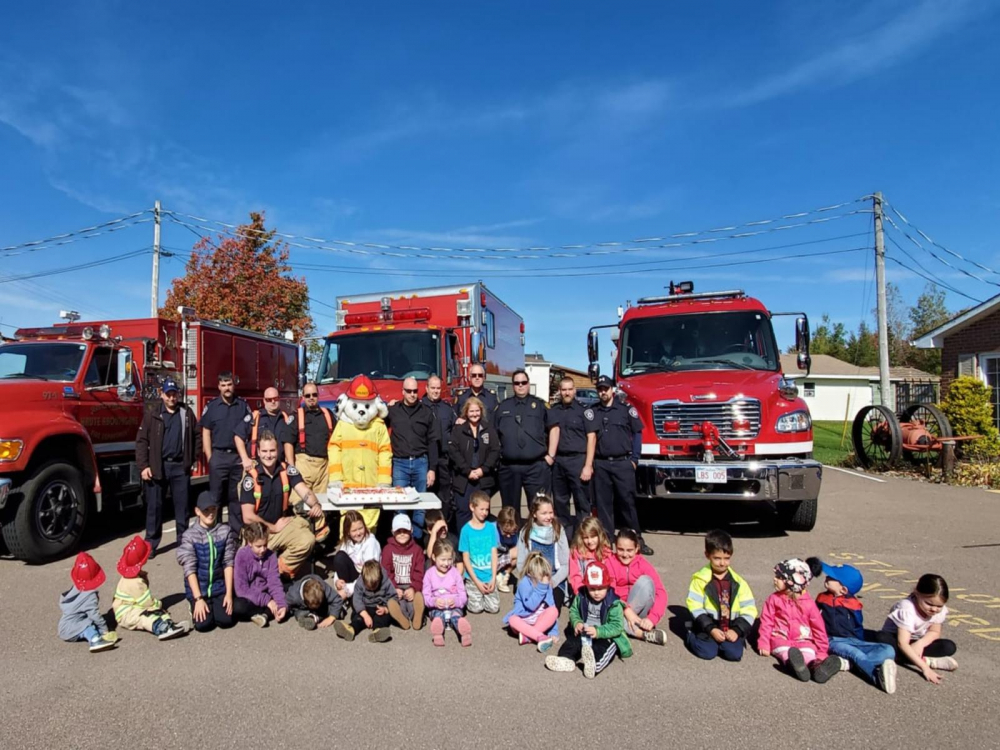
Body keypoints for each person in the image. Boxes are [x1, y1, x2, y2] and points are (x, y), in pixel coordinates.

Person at [238, 431, 327, 578]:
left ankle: (276, 571)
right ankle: (260, 572)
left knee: (307, 540)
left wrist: (315, 504)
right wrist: (272, 527)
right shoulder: (251, 478)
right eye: (265, 451)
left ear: (278, 450)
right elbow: (247, 517)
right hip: (257, 532)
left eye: (272, 451)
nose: (269, 455)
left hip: (280, 528)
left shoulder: (287, 470)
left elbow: (304, 491)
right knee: (247, 577)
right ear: (258, 453)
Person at [808, 557, 897, 694]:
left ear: (843, 589)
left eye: (832, 578)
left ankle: (847, 664)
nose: (827, 577)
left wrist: (860, 641)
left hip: (853, 640)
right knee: (855, 653)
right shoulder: (821, 598)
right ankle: (877, 678)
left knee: (888, 650)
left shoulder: (853, 604)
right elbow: (813, 617)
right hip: (832, 640)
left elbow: (857, 625)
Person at [585, 375, 652, 556]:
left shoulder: (625, 409)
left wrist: (635, 459)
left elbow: (638, 433)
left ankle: (636, 539)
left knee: (627, 503)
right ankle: (607, 541)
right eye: (599, 389)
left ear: (612, 390)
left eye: (605, 388)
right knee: (604, 505)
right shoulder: (593, 411)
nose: (603, 392)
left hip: (623, 463)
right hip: (602, 464)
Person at [136, 377, 200, 556]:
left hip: (180, 467)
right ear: (162, 395)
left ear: (178, 395)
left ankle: (183, 541)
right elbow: (141, 441)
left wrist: (192, 458)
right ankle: (151, 544)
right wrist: (144, 466)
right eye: (168, 394)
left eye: (174, 394)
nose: (172, 398)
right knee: (154, 508)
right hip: (158, 466)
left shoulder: (186, 413)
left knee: (182, 507)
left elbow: (197, 436)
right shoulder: (153, 414)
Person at [758, 558, 842, 683]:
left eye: (780, 577)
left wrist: (822, 652)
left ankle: (817, 668)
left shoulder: (808, 604)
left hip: (804, 640)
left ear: (792, 582)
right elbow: (766, 621)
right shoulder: (774, 599)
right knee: (785, 653)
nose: (775, 579)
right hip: (781, 638)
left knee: (809, 655)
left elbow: (818, 629)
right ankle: (795, 666)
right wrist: (764, 643)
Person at [545, 561, 631, 678]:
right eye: (592, 588)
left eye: (600, 588)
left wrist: (598, 632)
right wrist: (577, 622)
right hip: (585, 632)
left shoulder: (614, 603)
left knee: (603, 649)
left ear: (607, 585)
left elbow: (616, 626)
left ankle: (593, 664)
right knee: (572, 642)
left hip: (606, 635)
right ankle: (566, 659)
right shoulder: (582, 596)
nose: (596, 593)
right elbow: (574, 611)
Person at [685, 530, 757, 662]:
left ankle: (725, 642)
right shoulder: (700, 580)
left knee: (734, 654)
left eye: (726, 558)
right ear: (707, 555)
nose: (722, 563)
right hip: (707, 627)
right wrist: (711, 629)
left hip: (729, 627)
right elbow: (695, 606)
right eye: (717, 558)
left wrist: (737, 631)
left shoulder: (738, 582)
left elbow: (750, 609)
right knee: (707, 653)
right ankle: (690, 633)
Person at [875, 574, 958, 684]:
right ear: (917, 593)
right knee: (881, 638)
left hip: (917, 641)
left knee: (949, 646)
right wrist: (925, 668)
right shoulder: (907, 608)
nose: (934, 609)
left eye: (939, 606)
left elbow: (934, 631)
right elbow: (902, 643)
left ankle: (904, 658)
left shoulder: (939, 609)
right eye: (929, 604)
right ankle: (927, 661)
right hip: (897, 640)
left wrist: (920, 644)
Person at [386, 376, 440, 540]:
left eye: (415, 391)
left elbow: (432, 442)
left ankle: (415, 545)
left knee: (420, 507)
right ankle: (400, 545)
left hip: (420, 463)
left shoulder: (426, 412)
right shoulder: (393, 410)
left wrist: (432, 469)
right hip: (400, 464)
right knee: (399, 506)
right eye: (408, 391)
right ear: (402, 391)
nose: (412, 394)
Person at [494, 369, 552, 523]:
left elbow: (554, 428)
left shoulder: (540, 405)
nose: (520, 386)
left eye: (523, 382)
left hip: (535, 467)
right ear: (513, 385)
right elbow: (494, 434)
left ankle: (537, 543)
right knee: (510, 512)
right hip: (509, 468)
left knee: (538, 508)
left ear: (528, 384)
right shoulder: (502, 407)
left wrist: (551, 455)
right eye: (517, 383)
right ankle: (512, 543)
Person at [175, 490, 236, 633]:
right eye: (206, 510)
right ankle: (193, 604)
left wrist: (228, 594)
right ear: (197, 511)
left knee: (226, 620)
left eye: (213, 509)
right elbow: (189, 569)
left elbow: (228, 563)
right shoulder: (189, 536)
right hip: (199, 590)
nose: (210, 513)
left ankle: (216, 603)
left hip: (218, 586)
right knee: (203, 625)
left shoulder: (225, 531)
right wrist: (197, 599)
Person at [200, 371, 253, 533]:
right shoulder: (212, 407)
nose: (226, 388)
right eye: (223, 385)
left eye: (229, 384)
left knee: (235, 499)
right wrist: (210, 457)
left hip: (237, 459)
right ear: (219, 387)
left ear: (233, 385)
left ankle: (235, 534)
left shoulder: (243, 406)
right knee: (215, 498)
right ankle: (215, 532)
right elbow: (206, 432)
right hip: (219, 457)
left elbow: (250, 432)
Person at [112, 535, 189, 640]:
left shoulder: (129, 577)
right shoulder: (136, 582)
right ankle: (160, 628)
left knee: (157, 612)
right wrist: (158, 603)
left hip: (131, 607)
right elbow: (146, 602)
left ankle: (169, 624)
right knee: (146, 618)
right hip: (126, 614)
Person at [605, 528, 668, 645]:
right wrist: (626, 611)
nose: (625, 554)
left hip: (640, 610)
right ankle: (643, 634)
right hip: (618, 608)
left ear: (637, 549)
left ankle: (619, 627)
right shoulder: (610, 562)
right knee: (609, 609)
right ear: (615, 547)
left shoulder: (643, 564)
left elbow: (661, 592)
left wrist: (652, 618)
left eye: (629, 550)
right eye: (620, 549)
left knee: (646, 582)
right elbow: (610, 592)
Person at [548, 377, 594, 534]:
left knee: (582, 502)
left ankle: (583, 537)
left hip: (578, 460)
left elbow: (591, 438)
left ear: (574, 390)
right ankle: (565, 538)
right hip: (559, 461)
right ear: (559, 391)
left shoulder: (584, 411)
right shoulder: (553, 411)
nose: (567, 392)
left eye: (569, 389)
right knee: (560, 502)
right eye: (564, 389)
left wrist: (588, 466)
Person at [448, 397, 501, 530]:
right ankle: (464, 547)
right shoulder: (458, 430)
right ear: (466, 412)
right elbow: (453, 452)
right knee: (463, 512)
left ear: (481, 411)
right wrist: (467, 471)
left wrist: (483, 469)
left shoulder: (489, 429)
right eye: (471, 411)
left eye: (477, 411)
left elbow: (495, 450)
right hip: (464, 479)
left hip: (483, 478)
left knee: (482, 513)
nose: (474, 414)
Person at [514, 491, 570, 609]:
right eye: (544, 513)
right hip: (532, 579)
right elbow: (521, 563)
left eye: (550, 512)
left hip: (554, 580)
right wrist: (532, 581)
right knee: (528, 607)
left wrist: (553, 581)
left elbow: (565, 564)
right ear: (534, 514)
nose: (549, 516)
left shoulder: (558, 530)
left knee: (549, 608)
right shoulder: (526, 532)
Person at [58, 551, 118, 652]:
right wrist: (104, 630)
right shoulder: (90, 595)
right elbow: (94, 615)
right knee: (88, 626)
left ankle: (93, 635)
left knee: (88, 622)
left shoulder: (76, 588)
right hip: (71, 629)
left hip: (64, 626)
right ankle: (95, 640)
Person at [334, 560, 406, 643]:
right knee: (358, 619)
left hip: (380, 606)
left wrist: (386, 609)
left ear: (379, 578)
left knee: (383, 618)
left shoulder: (386, 582)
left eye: (375, 586)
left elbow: (393, 597)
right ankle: (351, 629)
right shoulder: (360, 583)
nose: (372, 589)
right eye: (369, 587)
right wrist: (365, 615)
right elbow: (357, 600)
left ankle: (377, 631)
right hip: (365, 606)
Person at [233, 521, 287, 627]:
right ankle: (267, 613)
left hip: (266, 592)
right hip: (250, 596)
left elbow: (274, 582)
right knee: (238, 606)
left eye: (265, 545)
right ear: (250, 543)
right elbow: (241, 589)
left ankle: (265, 614)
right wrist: (267, 600)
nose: (263, 550)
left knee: (286, 591)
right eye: (258, 546)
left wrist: (281, 604)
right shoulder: (241, 555)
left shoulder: (271, 556)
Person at [504, 551, 559, 652]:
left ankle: (528, 637)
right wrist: (541, 588)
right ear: (530, 574)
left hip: (539, 622)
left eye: (546, 574)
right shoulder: (524, 583)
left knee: (554, 611)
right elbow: (531, 606)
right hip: (523, 620)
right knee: (512, 619)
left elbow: (552, 605)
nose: (544, 579)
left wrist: (554, 631)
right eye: (541, 576)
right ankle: (539, 636)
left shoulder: (547, 585)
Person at [422, 539, 472, 647]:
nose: (446, 563)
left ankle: (464, 633)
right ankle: (438, 634)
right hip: (437, 606)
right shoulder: (429, 574)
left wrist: (456, 601)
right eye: (443, 559)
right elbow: (426, 596)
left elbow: (463, 595)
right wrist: (434, 602)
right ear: (434, 557)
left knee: (456, 616)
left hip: (454, 605)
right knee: (438, 616)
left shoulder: (455, 573)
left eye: (449, 559)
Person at [458, 490, 500, 615]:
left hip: (489, 576)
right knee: (476, 609)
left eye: (487, 509)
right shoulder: (466, 530)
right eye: (481, 509)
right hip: (473, 577)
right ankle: (469, 593)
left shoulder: (490, 527)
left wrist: (493, 578)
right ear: (472, 507)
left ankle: (486, 592)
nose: (485, 513)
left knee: (493, 608)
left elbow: (494, 553)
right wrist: (476, 581)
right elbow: (465, 558)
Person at [382, 514, 426, 630]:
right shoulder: (387, 550)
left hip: (410, 585)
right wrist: (394, 588)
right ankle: (403, 620)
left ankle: (416, 617)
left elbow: (419, 572)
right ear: (392, 532)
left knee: (413, 604)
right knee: (396, 604)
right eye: (398, 531)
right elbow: (386, 572)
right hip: (396, 587)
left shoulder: (417, 550)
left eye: (405, 531)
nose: (402, 534)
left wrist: (414, 588)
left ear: (411, 530)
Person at [422, 375, 456, 522]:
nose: (436, 391)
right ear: (426, 388)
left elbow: (456, 428)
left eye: (438, 388)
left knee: (445, 495)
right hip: (425, 457)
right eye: (432, 388)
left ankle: (444, 524)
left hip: (444, 459)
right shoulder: (420, 406)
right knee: (426, 494)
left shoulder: (447, 409)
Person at [331, 509, 382, 600]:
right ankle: (348, 596)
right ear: (348, 532)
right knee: (340, 557)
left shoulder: (370, 543)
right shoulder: (348, 542)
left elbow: (370, 575)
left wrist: (348, 590)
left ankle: (354, 597)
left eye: (360, 528)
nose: (358, 533)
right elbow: (340, 565)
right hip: (355, 576)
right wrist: (337, 581)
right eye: (354, 530)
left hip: (369, 578)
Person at [294, 382, 335, 494]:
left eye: (314, 395)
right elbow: (288, 442)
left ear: (318, 395)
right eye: (308, 395)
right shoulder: (297, 416)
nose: (311, 398)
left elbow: (336, 440)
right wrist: (292, 468)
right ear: (303, 397)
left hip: (324, 466)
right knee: (300, 504)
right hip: (304, 464)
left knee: (321, 505)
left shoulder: (328, 414)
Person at [238, 386, 295, 465]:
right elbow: (238, 436)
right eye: (269, 399)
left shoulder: (286, 419)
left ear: (279, 399)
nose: (273, 402)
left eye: (275, 399)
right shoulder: (255, 417)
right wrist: (245, 458)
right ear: (264, 401)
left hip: (280, 467)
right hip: (256, 465)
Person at [568, 516, 612, 594]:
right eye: (586, 537)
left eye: (593, 537)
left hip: (603, 591)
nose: (589, 541)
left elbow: (611, 575)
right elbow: (575, 576)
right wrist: (580, 592)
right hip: (583, 591)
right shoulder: (576, 552)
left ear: (599, 535)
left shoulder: (606, 552)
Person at [423, 509, 464, 576]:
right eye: (439, 529)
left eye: (444, 527)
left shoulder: (453, 539)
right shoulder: (428, 539)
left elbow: (459, 563)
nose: (443, 531)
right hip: (435, 575)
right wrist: (434, 532)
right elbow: (430, 555)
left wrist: (457, 578)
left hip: (450, 574)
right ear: (430, 530)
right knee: (428, 563)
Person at [495, 506, 520, 593]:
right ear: (499, 524)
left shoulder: (515, 535)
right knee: (516, 552)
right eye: (505, 532)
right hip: (489, 560)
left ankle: (503, 574)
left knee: (519, 553)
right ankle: (495, 574)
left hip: (501, 558)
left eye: (512, 532)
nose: (509, 535)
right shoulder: (492, 531)